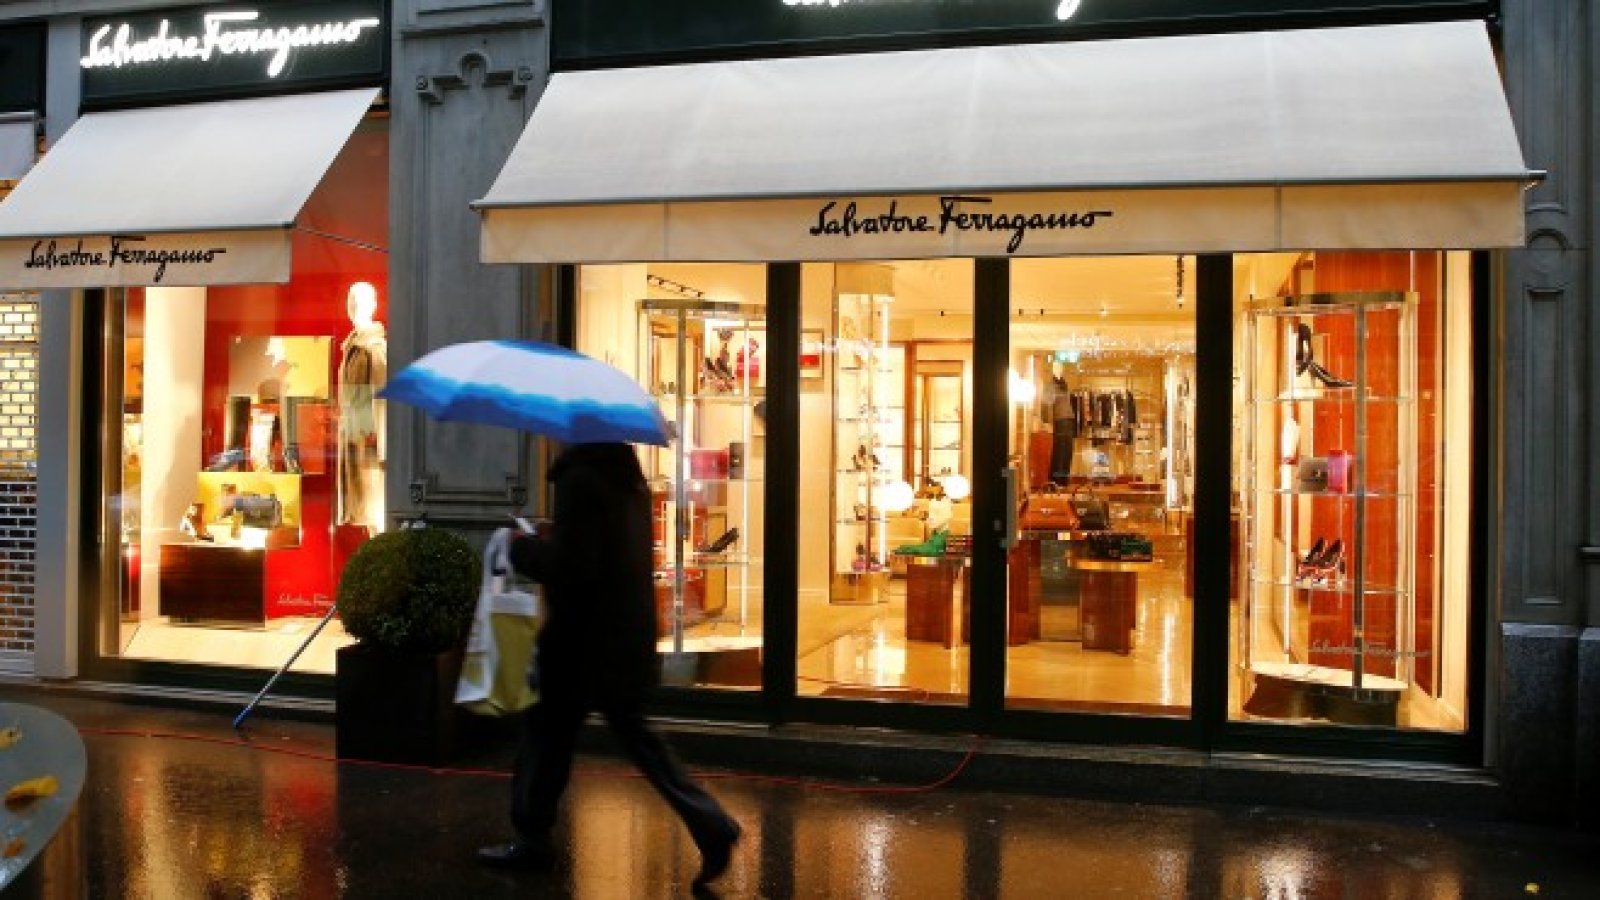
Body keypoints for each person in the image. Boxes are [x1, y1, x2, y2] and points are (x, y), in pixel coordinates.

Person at [477, 442, 742, 888]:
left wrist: (522, 549)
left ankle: (532, 836)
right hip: (624, 635)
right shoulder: (627, 479)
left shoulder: (579, 479)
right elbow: (602, 550)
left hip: (580, 642)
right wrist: (556, 534)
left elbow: (574, 567)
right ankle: (710, 823)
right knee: (636, 740)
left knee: (545, 736)